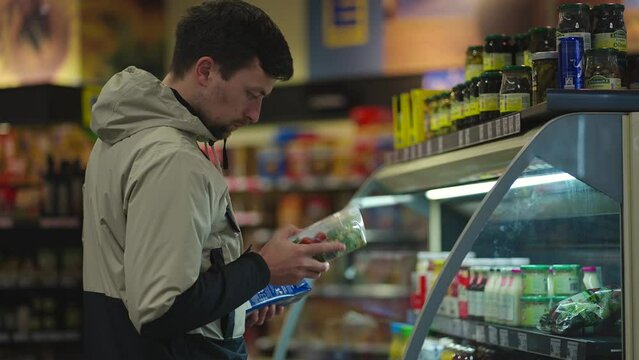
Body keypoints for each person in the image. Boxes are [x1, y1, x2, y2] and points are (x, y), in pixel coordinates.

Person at [81, 1, 345, 359]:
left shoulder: (123, 136)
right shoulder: (172, 158)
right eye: (252, 94)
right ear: (205, 70)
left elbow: (143, 284)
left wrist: (240, 298)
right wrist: (262, 268)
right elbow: (162, 309)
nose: (254, 114)